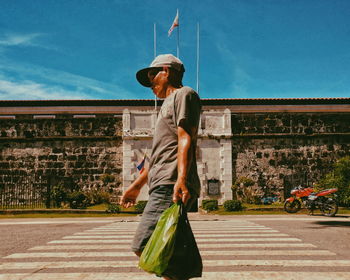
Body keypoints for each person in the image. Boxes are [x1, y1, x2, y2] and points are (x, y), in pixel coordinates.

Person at [121, 54, 201, 279]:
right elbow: (155, 157)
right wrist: (136, 186)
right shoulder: (165, 107)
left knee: (144, 244)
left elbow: (186, 137)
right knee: (169, 250)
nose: (150, 84)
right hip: (162, 183)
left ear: (166, 71)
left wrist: (182, 179)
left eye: (152, 76)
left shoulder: (184, 95)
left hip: (170, 184)